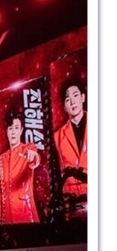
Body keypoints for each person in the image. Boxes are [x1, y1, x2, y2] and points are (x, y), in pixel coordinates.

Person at [0, 111, 41, 224]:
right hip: (7, 216)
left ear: (21, 131)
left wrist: (33, 156)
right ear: (7, 131)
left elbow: (35, 158)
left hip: (26, 212)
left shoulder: (28, 148)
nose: (13, 132)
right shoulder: (1, 159)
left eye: (16, 128)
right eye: (10, 128)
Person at [53, 79, 87, 215]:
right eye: (67, 99)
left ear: (83, 97)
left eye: (75, 95)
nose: (72, 102)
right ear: (64, 107)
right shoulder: (58, 136)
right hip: (72, 201)